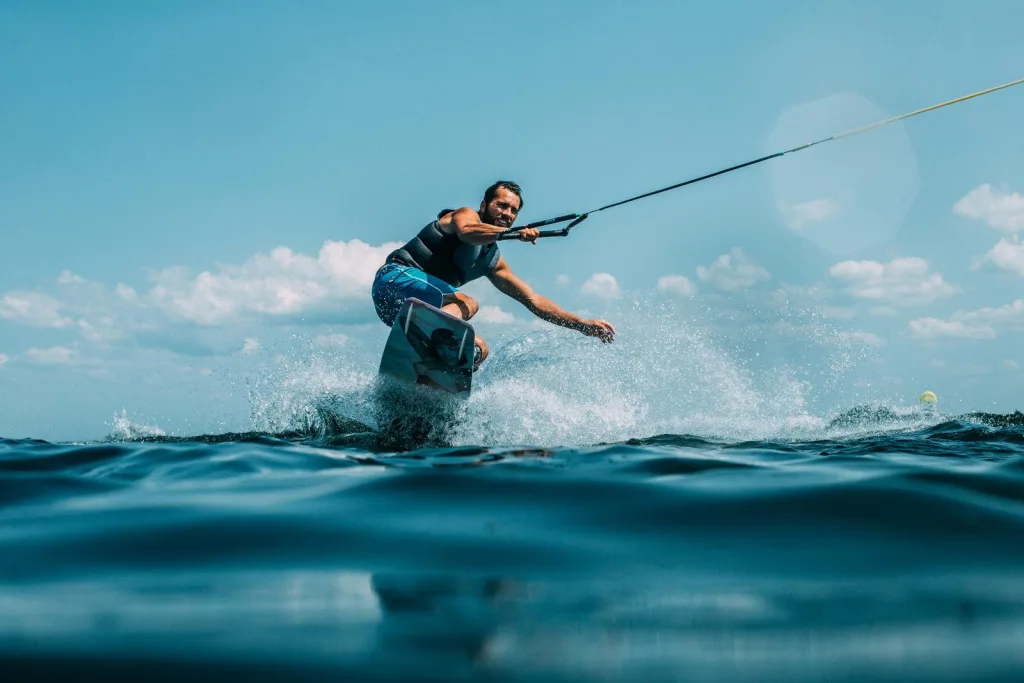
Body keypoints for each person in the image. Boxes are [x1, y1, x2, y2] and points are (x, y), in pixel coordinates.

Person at [372, 180, 616, 370]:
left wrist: (582, 325)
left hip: (404, 312)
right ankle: (429, 343)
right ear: (483, 205)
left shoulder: (492, 261)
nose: (507, 213)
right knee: (466, 302)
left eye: (513, 211)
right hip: (393, 280)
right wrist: (511, 233)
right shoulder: (464, 215)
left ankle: (430, 386)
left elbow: (533, 300)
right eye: (501, 205)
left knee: (478, 349)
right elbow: (468, 232)